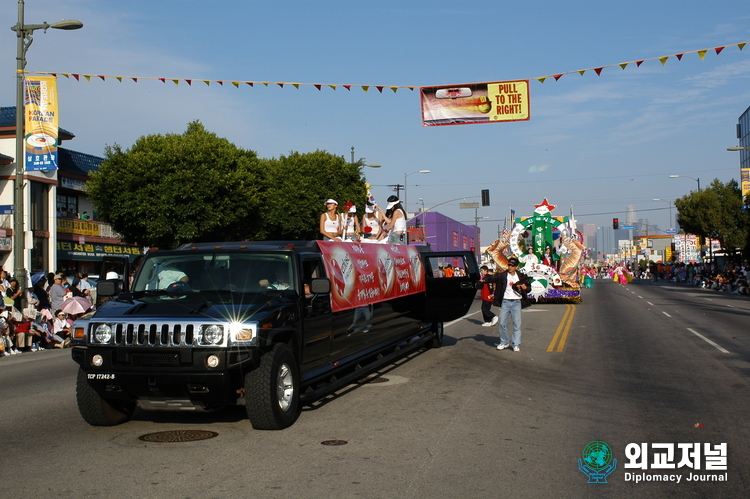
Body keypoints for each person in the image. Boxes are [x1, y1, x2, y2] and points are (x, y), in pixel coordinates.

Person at [482, 256, 530, 352]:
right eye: (509, 265)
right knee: (501, 323)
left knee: (517, 324)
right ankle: (504, 342)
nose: (510, 267)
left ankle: (516, 344)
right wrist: (484, 280)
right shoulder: (503, 275)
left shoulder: (521, 276)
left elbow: (529, 288)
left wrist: (526, 288)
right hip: (505, 302)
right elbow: (493, 277)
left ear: (516, 267)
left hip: (516, 302)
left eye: (512, 265)